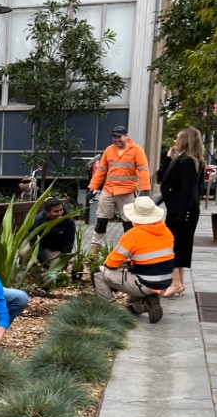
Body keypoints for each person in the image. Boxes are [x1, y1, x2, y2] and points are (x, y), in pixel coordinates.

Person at [92, 196, 175, 324]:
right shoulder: (166, 231)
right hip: (163, 283)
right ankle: (146, 303)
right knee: (130, 307)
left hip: (144, 283)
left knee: (98, 273)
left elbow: (111, 263)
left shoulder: (133, 234)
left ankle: (109, 310)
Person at [158, 126, 205, 298]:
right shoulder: (192, 160)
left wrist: (181, 215)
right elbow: (161, 177)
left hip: (181, 210)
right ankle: (180, 283)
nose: (175, 141)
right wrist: (168, 157)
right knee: (181, 245)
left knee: (172, 245)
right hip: (183, 210)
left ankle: (176, 283)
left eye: (178, 137)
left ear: (184, 140)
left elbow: (188, 191)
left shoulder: (187, 162)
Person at [88, 125, 150, 244]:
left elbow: (143, 170)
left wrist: (145, 188)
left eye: (119, 137)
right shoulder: (109, 150)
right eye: (114, 137)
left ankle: (129, 249)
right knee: (101, 221)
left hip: (127, 191)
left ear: (126, 136)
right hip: (109, 190)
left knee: (128, 223)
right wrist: (92, 188)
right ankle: (94, 249)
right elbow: (101, 170)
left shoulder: (137, 150)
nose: (116, 140)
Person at [36, 199, 77, 264]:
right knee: (23, 252)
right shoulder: (39, 220)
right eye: (56, 211)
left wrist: (63, 262)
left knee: (56, 268)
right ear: (47, 213)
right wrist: (43, 259)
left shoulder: (69, 221)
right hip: (40, 246)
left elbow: (68, 243)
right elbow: (34, 241)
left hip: (55, 248)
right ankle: (32, 266)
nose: (60, 213)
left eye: (61, 210)